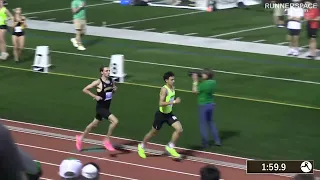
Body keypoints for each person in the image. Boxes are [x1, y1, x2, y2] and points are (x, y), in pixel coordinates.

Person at [137, 71, 183, 159]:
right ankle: (141, 146)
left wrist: (174, 101)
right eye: (171, 79)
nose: (173, 81)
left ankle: (170, 146)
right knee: (153, 132)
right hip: (161, 115)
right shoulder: (164, 89)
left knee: (179, 129)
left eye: (174, 79)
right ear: (166, 80)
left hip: (169, 114)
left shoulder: (173, 87)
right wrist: (174, 101)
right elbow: (161, 103)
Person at [76, 66, 119, 152]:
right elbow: (85, 89)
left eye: (109, 71)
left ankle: (80, 138)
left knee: (94, 124)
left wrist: (115, 89)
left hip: (107, 106)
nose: (108, 72)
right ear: (101, 72)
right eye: (106, 71)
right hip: (101, 108)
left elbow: (112, 92)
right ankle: (106, 140)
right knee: (115, 121)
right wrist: (95, 96)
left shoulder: (111, 81)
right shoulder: (98, 82)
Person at [192, 69, 221, 148]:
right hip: (211, 104)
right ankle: (217, 140)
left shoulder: (204, 84)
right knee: (211, 123)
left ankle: (205, 143)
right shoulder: (213, 82)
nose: (202, 75)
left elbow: (194, 91)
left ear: (207, 75)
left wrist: (195, 81)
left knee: (203, 125)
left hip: (203, 105)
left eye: (204, 74)